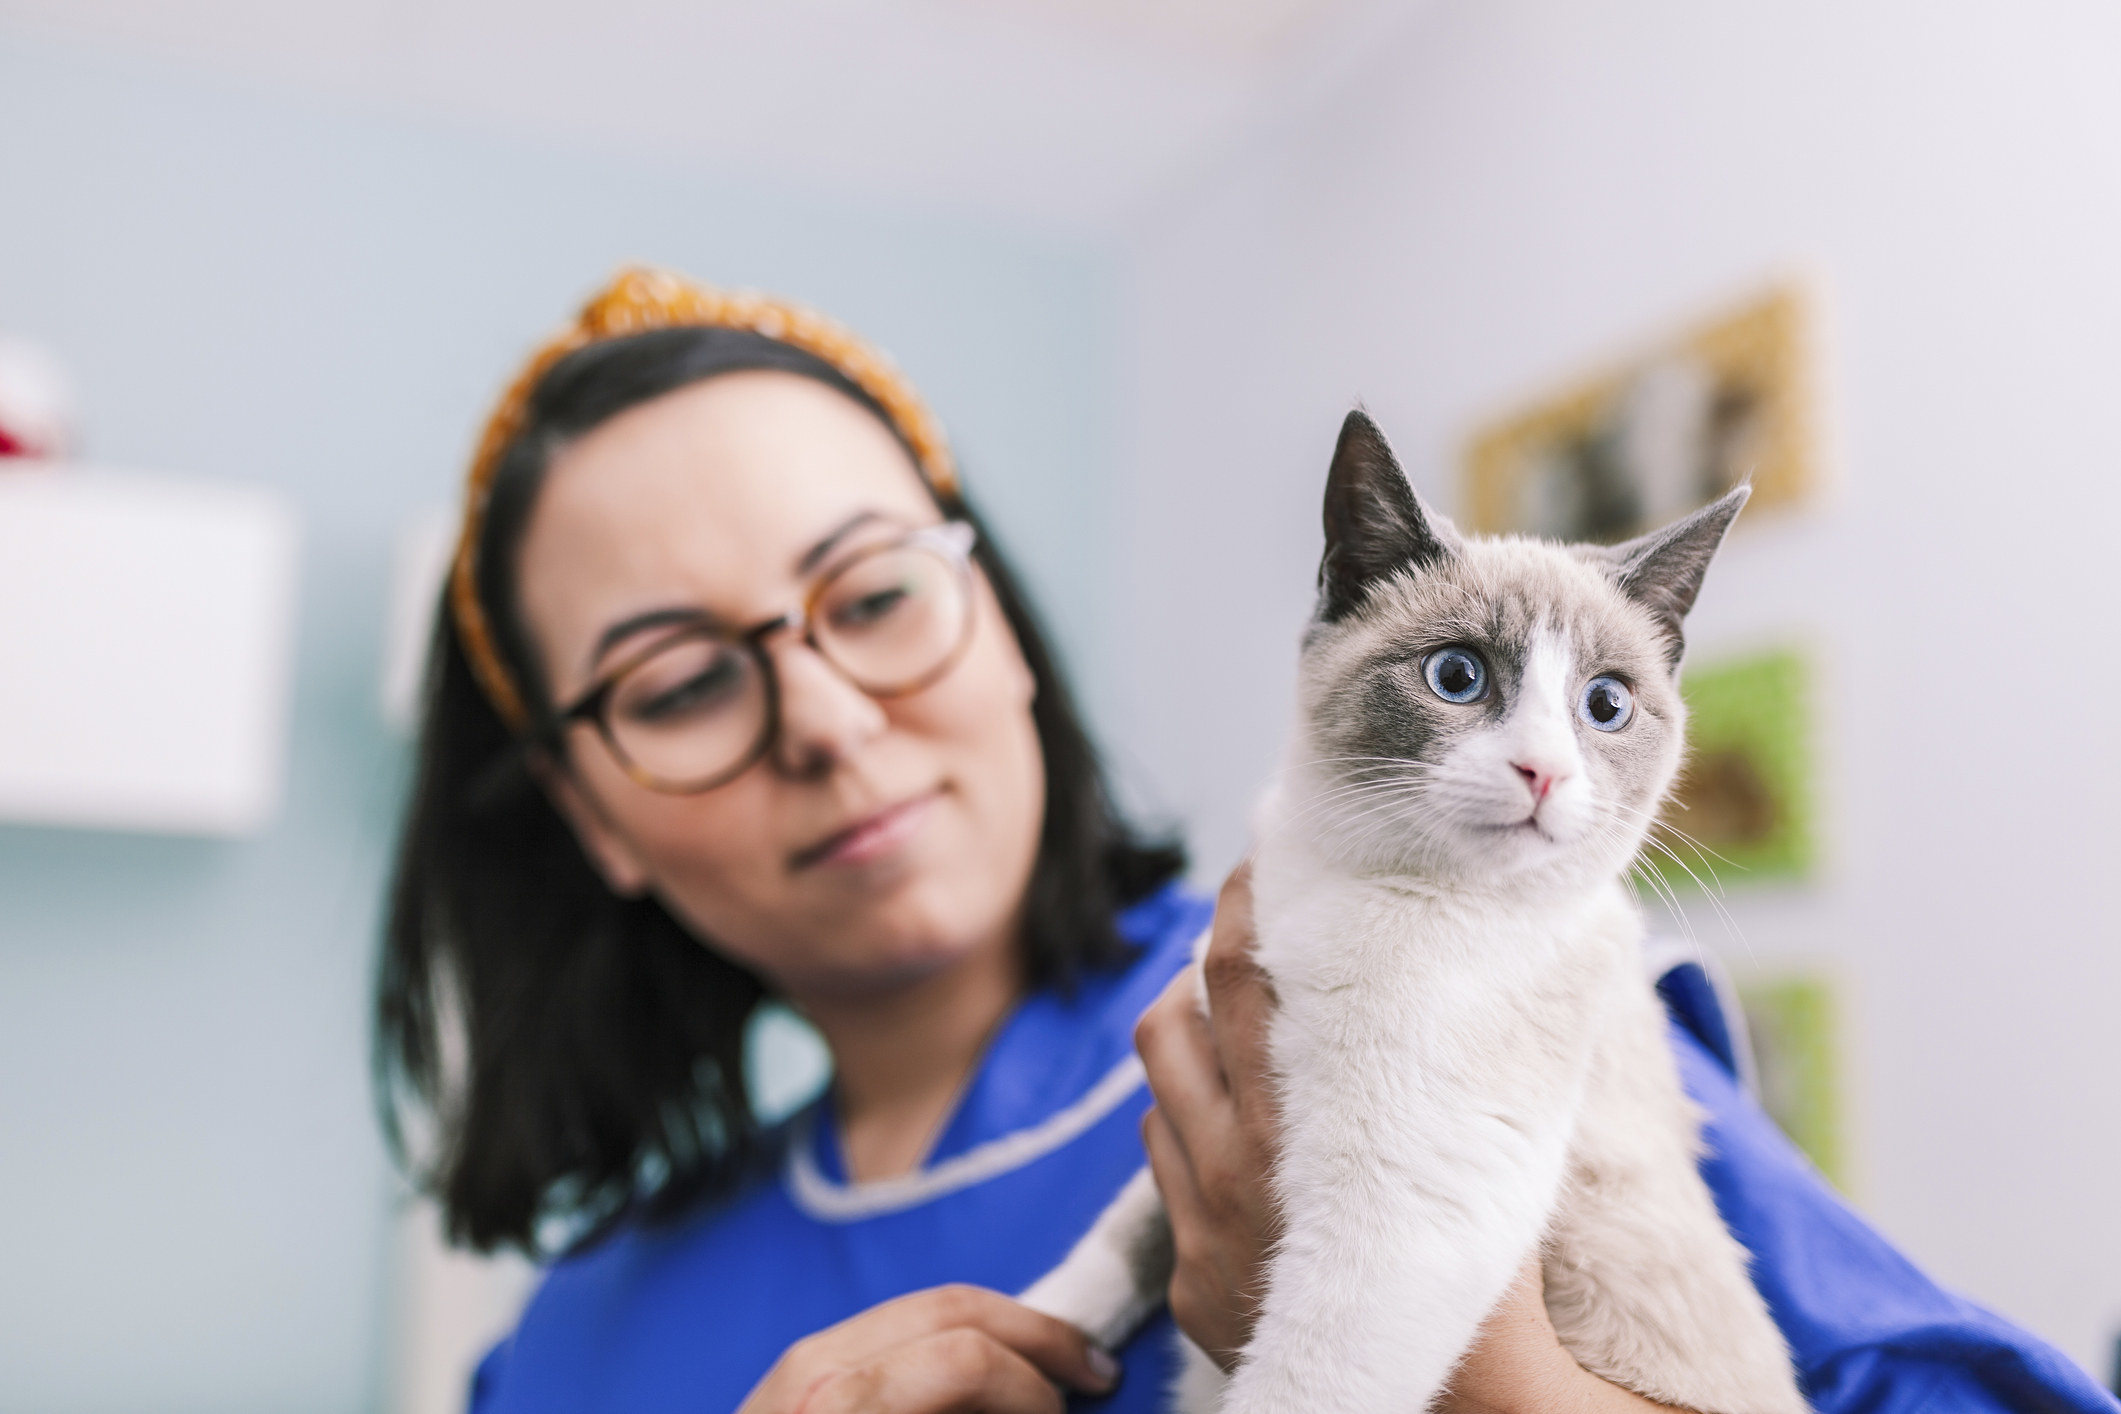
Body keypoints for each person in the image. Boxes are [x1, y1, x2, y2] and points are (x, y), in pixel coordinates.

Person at [375, 266, 2119, 1414]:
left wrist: (1487, 1376)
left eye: (877, 593)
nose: (824, 716)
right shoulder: (563, 1349)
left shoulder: (1474, 955)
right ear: (585, 809)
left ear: (999, 629)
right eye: (677, 683)